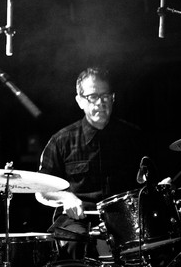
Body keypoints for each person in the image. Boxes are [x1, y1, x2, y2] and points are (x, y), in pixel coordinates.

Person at [35, 66, 147, 262]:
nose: (101, 102)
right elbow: (41, 191)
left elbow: (149, 179)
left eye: (105, 96)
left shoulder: (133, 137)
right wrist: (65, 197)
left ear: (113, 98)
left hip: (125, 218)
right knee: (74, 241)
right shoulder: (61, 141)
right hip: (78, 219)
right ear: (80, 101)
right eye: (93, 96)